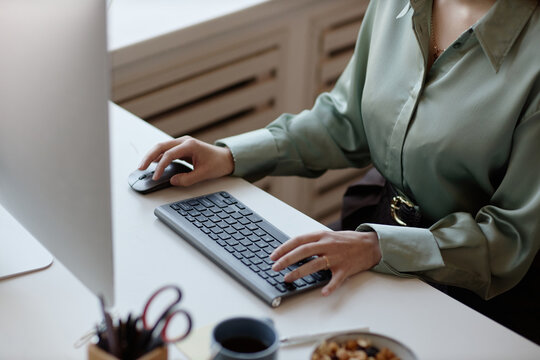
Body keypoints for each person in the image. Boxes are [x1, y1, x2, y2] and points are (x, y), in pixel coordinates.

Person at [138, 0, 540, 343]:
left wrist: (377, 247)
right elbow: (345, 122)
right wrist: (228, 155)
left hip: (482, 296)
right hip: (376, 235)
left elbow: (509, 238)